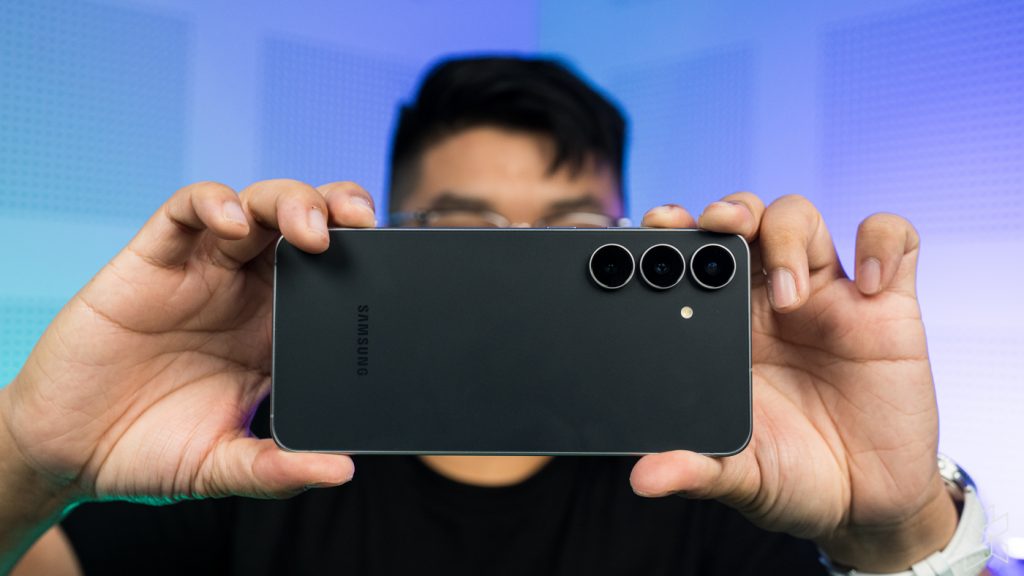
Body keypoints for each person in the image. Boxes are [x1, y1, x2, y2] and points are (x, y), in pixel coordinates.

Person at [1, 56, 988, 575]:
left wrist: (899, 530)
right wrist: (29, 454)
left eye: (571, 231)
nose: (517, 264)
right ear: (386, 235)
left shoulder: (716, 480)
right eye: (464, 229)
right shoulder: (261, 467)